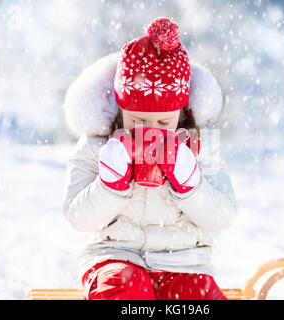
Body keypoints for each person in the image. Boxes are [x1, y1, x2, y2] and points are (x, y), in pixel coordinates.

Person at [61, 17, 238, 300]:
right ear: (120, 110)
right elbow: (78, 218)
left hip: (185, 264)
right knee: (123, 290)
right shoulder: (96, 146)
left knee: (197, 298)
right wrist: (110, 185)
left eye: (164, 121)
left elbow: (223, 216)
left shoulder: (203, 148)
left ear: (182, 114)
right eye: (138, 119)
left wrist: (190, 185)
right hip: (115, 257)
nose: (151, 131)